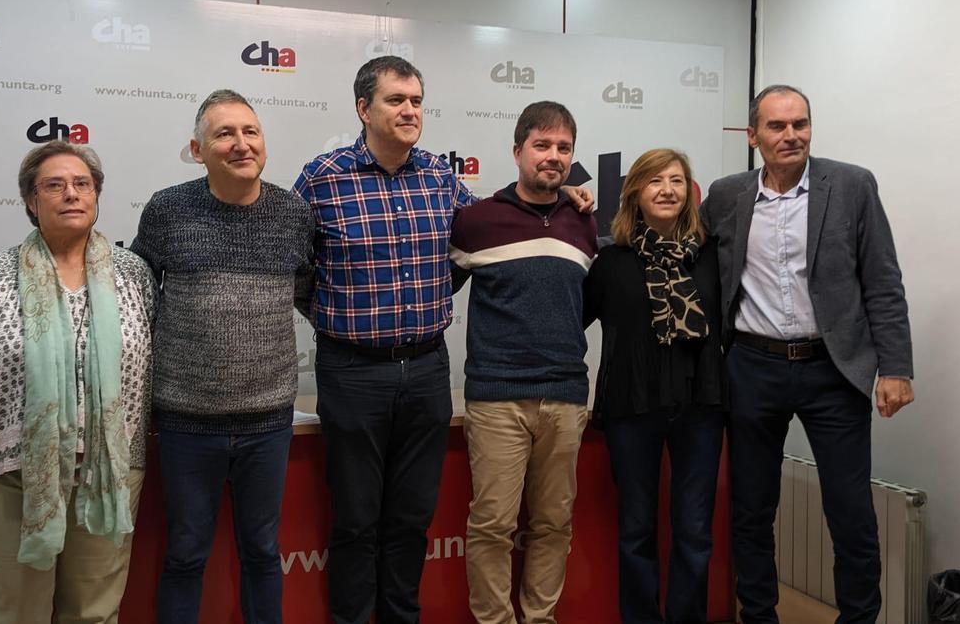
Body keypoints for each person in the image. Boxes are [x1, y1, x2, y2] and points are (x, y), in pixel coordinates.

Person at [293, 57, 592, 624]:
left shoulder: (440, 178)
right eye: (395, 100)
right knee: (356, 519)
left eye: (416, 101)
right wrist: (341, 322)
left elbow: (506, 222)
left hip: (427, 368)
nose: (409, 111)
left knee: (411, 517)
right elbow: (297, 269)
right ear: (364, 109)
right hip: (353, 371)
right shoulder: (323, 177)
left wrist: (575, 193)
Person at [699, 85, 914, 624]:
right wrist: (585, 211)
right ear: (753, 137)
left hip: (833, 370)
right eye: (777, 126)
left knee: (850, 512)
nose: (791, 135)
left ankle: (859, 617)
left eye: (800, 124)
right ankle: (759, 615)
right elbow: (678, 242)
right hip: (751, 367)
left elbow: (882, 281)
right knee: (751, 510)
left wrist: (896, 367)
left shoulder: (851, 185)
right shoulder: (727, 195)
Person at [0, 140, 155, 623]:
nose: (71, 194)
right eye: (54, 185)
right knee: (18, 611)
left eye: (82, 184)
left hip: (107, 474)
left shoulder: (133, 274)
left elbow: (152, 369)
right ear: (32, 201)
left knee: (94, 611)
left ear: (96, 196)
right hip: (13, 476)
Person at [130, 89, 313, 624]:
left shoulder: (293, 213)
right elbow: (139, 296)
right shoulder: (167, 210)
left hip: (268, 422)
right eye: (224, 134)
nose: (241, 144)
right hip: (187, 422)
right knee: (186, 555)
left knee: (262, 552)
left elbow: (305, 291)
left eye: (250, 132)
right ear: (197, 148)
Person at [449, 101, 598, 624]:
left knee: (554, 524)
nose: (552, 157)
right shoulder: (475, 221)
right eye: (542, 145)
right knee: (492, 524)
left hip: (565, 396)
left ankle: (540, 618)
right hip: (496, 398)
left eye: (563, 148)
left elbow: (586, 303)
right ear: (517, 152)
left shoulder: (584, 222)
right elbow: (433, 293)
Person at [583, 148, 726, 624]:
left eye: (677, 181)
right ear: (635, 194)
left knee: (694, 530)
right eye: (655, 181)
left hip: (701, 407)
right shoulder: (610, 261)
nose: (667, 190)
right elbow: (571, 322)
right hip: (633, 407)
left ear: (689, 193)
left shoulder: (713, 258)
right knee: (636, 530)